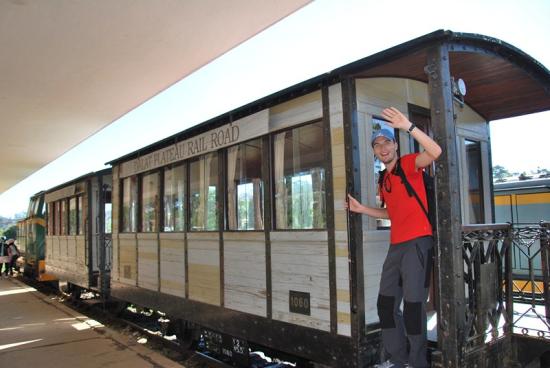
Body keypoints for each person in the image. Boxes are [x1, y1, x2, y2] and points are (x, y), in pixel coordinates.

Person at [346, 107, 441, 368]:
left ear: (395, 145)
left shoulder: (409, 164)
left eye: (387, 141)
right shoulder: (384, 179)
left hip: (418, 243)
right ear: (374, 152)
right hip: (396, 246)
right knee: (386, 306)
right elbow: (391, 212)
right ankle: (398, 361)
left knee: (412, 309)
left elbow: (435, 152)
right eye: (377, 145)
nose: (382, 147)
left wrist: (409, 126)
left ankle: (417, 363)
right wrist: (362, 209)